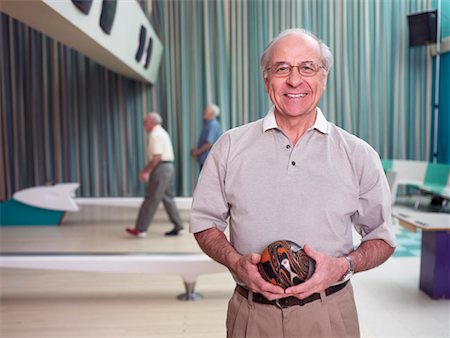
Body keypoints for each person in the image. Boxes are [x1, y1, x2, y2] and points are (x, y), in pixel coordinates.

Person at [189, 28, 396, 338]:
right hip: (251, 315)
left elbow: (382, 238)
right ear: (266, 79)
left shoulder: (358, 154)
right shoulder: (229, 146)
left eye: (307, 68)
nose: (294, 80)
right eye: (281, 68)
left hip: (329, 315)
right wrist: (234, 260)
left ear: (324, 78)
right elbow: (204, 223)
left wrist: (344, 265)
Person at [126, 112, 184, 238]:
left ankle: (140, 229)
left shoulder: (155, 134)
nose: (144, 125)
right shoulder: (162, 132)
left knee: (151, 198)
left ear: (152, 122)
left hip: (161, 168)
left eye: (145, 122)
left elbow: (157, 156)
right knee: (168, 198)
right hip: (168, 167)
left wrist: (146, 171)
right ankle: (179, 226)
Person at [190, 104, 222, 169]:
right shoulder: (209, 124)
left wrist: (198, 151)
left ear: (212, 113)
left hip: (208, 160)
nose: (205, 112)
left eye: (207, 111)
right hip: (206, 160)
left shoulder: (212, 125)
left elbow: (209, 143)